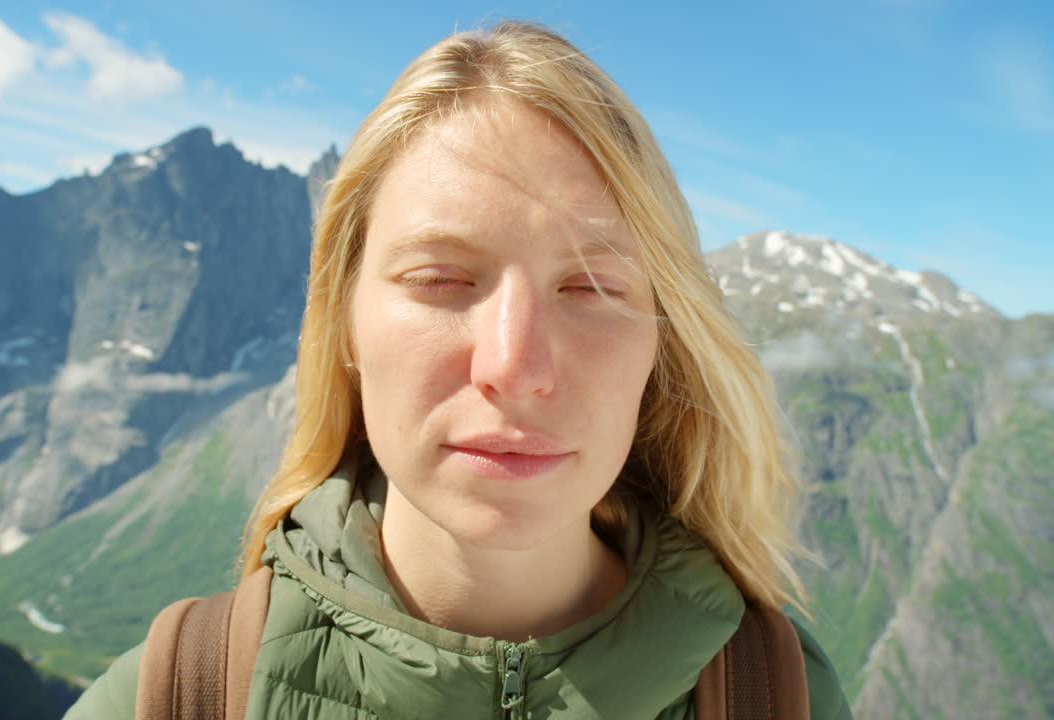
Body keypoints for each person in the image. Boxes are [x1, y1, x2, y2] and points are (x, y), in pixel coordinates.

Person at [66, 20, 852, 719]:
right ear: (342, 320)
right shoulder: (173, 698)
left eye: (590, 287)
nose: (515, 366)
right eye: (440, 279)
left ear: (662, 343)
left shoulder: (777, 694)